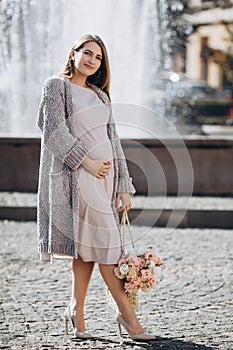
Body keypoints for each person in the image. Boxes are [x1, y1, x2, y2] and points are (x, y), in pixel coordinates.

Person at [37, 34, 155, 341]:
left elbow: (113, 142)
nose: (92, 60)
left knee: (87, 250)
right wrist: (86, 162)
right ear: (73, 53)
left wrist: (124, 185)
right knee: (108, 249)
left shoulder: (100, 95)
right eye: (87, 53)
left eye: (98, 57)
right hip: (78, 180)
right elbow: (52, 131)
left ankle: (76, 311)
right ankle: (128, 317)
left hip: (106, 182)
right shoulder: (55, 86)